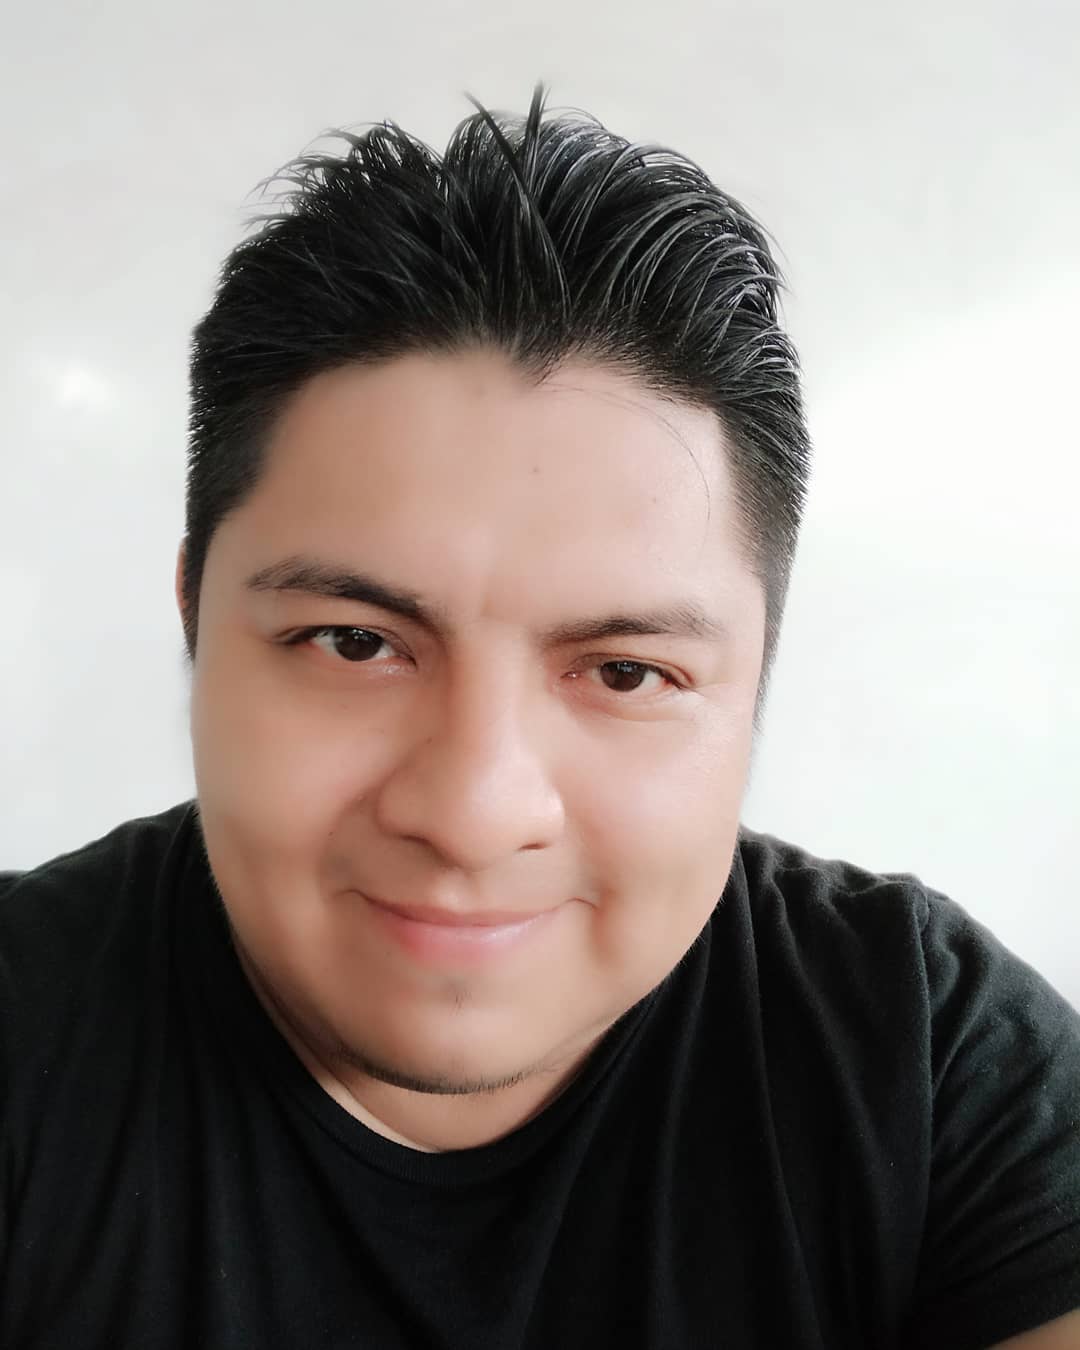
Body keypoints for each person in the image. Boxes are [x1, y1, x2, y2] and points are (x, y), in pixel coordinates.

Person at [1, 84, 1077, 1350]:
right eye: (355, 642)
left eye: (623, 673)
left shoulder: (927, 1059)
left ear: (760, 676)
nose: (473, 813)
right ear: (194, 615)